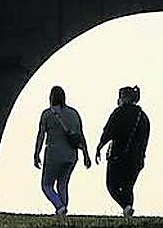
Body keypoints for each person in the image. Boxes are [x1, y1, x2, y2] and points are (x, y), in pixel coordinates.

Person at [33, 85, 90, 215]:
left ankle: (59, 207)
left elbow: (41, 135)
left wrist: (36, 153)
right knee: (63, 184)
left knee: (46, 185)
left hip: (54, 154)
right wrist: (86, 154)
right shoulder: (74, 113)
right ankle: (63, 211)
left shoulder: (47, 114)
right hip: (71, 155)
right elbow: (80, 135)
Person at [95, 85, 150, 217]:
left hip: (118, 156)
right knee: (128, 187)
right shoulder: (143, 117)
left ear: (124, 98)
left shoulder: (119, 113)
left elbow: (108, 131)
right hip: (136, 158)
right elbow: (145, 140)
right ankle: (128, 209)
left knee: (111, 185)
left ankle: (126, 207)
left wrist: (99, 146)